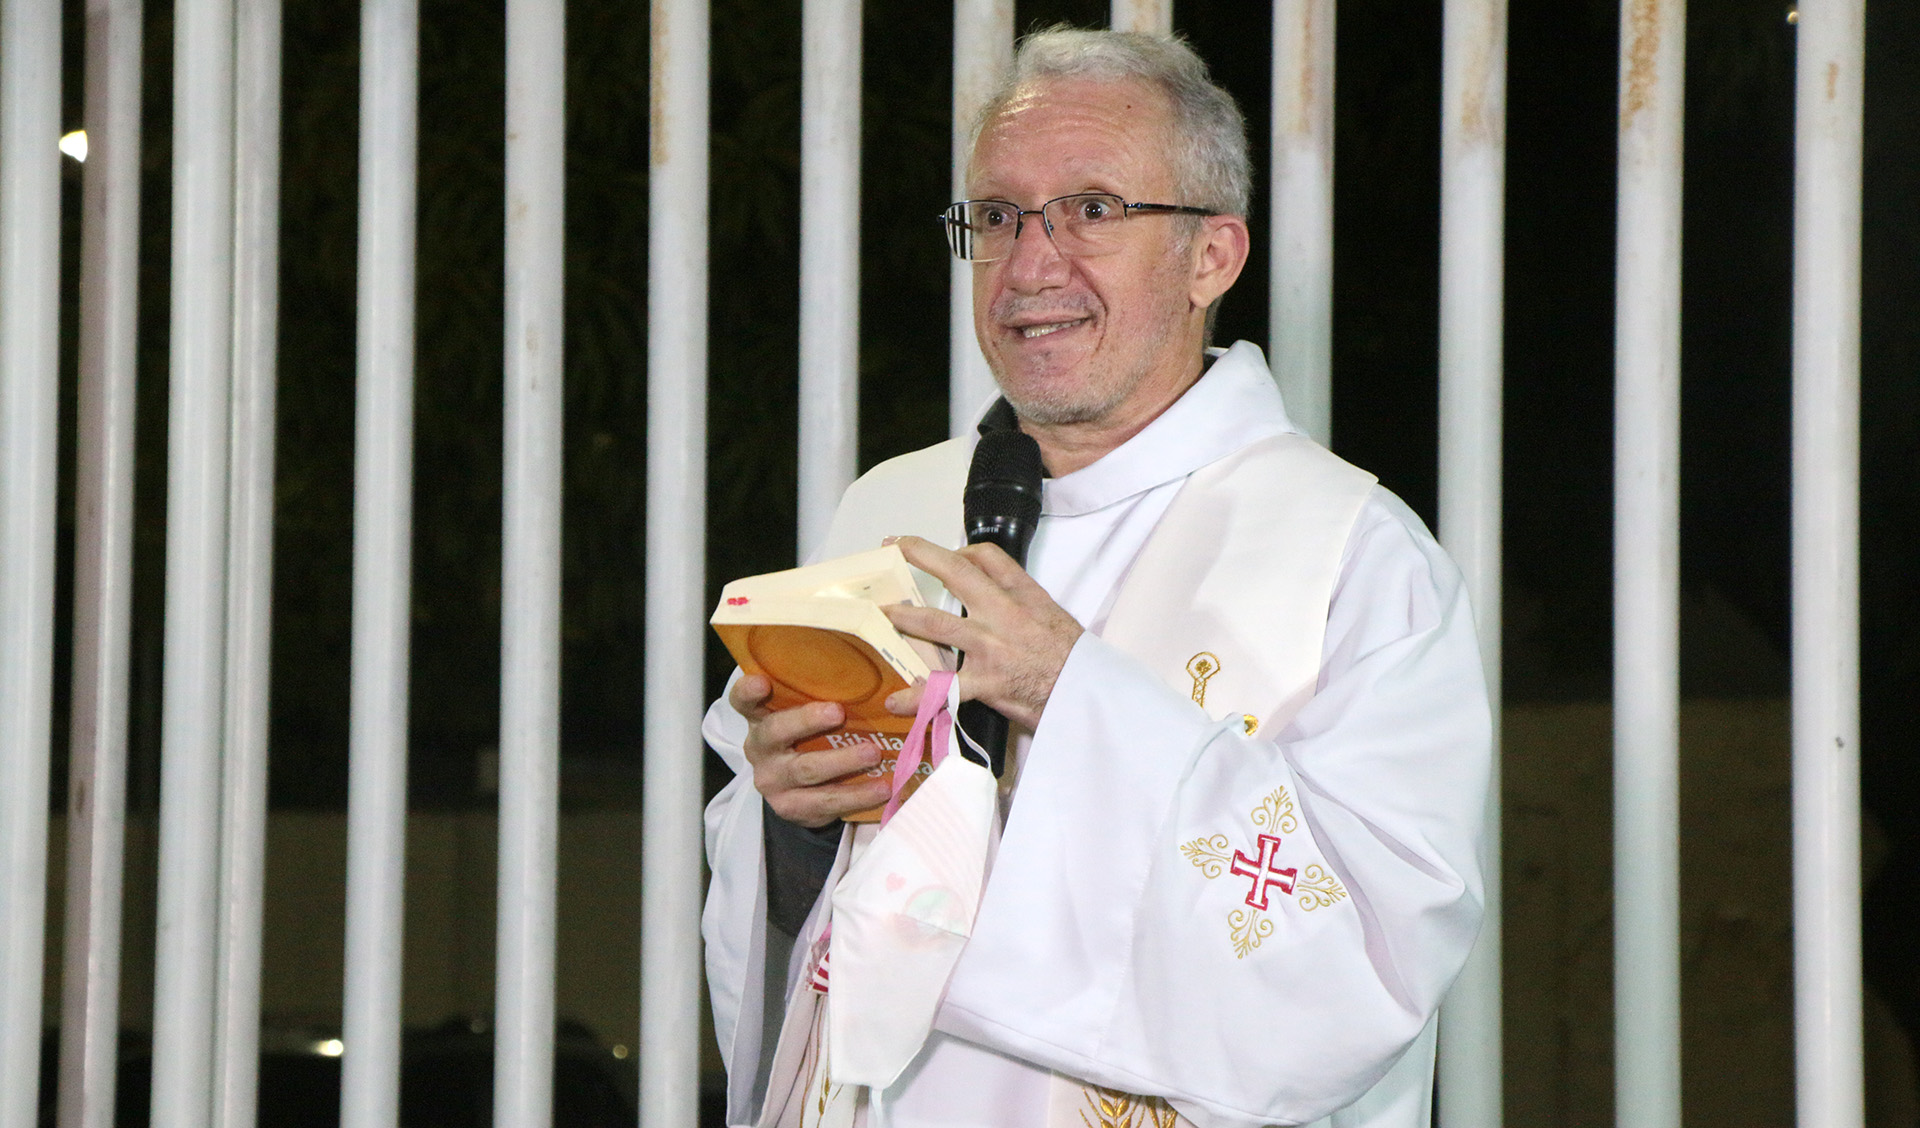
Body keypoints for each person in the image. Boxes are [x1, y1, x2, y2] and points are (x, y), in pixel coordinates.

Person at [702, 27, 1491, 1128]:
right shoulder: (890, 510)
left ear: (1213, 257)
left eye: (1094, 210)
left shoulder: (1351, 556)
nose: (1031, 265)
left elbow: (1368, 968)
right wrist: (791, 826)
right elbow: (784, 947)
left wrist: (1073, 698)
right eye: (999, 216)